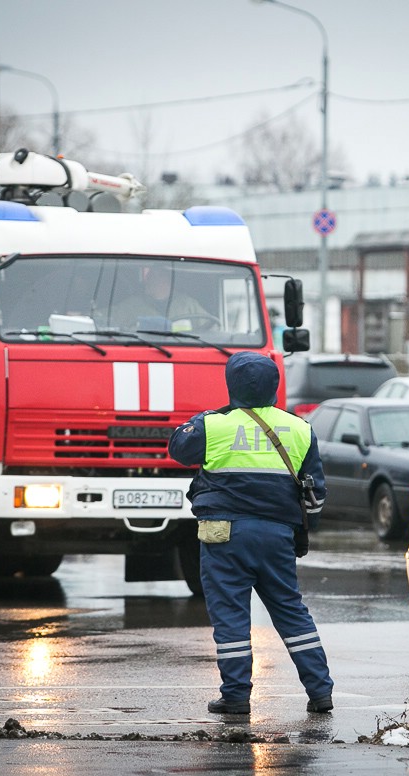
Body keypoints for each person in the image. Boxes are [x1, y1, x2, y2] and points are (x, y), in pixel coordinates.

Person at [167, 351, 333, 716]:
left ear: (232, 385)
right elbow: (316, 494)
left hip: (223, 534)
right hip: (277, 536)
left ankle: (237, 696)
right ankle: (321, 692)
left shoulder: (214, 426)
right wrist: (304, 533)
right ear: (274, 385)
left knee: (231, 616)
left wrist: (206, 417)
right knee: (291, 612)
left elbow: (178, 448)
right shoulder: (300, 428)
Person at [112, 263, 211, 331]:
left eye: (154, 276)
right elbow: (105, 320)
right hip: (143, 351)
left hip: (182, 352)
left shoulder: (188, 305)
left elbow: (211, 328)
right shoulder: (131, 305)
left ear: (166, 279)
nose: (147, 281)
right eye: (148, 276)